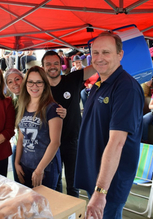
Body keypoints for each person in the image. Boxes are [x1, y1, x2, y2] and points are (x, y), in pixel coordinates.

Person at [74, 31, 144, 219]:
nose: (99, 58)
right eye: (95, 53)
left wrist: (100, 191)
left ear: (119, 55)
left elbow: (117, 143)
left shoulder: (125, 87)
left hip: (109, 182)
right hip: (95, 174)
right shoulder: (100, 83)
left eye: (106, 52)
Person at [42, 50, 96, 197]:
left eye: (55, 63)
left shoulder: (73, 79)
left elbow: (96, 65)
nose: (52, 67)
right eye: (48, 64)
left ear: (61, 65)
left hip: (72, 140)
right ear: (43, 67)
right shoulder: (40, 88)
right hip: (51, 142)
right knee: (56, 182)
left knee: (73, 184)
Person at [5, 68, 67, 183]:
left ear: (44, 84)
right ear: (26, 83)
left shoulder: (52, 108)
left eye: (39, 82)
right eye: (31, 82)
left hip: (45, 168)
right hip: (25, 165)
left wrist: (39, 170)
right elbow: (21, 138)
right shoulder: (23, 105)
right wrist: (17, 163)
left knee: (46, 201)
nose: (34, 85)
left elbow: (55, 142)